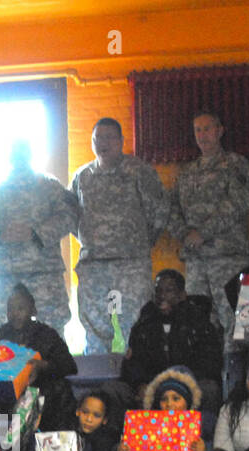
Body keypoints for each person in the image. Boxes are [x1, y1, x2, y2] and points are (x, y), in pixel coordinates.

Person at [69, 118, 170, 352]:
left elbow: (160, 209)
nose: (103, 143)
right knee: (96, 334)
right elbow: (72, 217)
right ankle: (99, 384)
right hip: (94, 269)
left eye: (109, 137)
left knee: (136, 329)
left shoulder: (138, 171)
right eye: (97, 139)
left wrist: (144, 241)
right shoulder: (82, 177)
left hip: (130, 267)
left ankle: (138, 384)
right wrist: (91, 242)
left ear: (121, 141)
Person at [172, 111, 249, 371]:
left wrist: (202, 233)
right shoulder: (186, 173)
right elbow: (172, 209)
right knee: (199, 321)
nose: (202, 135)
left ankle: (236, 385)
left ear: (220, 131)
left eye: (207, 129)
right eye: (197, 130)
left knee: (235, 323)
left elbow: (238, 204)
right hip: (197, 262)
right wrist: (184, 234)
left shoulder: (236, 164)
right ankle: (206, 383)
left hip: (228, 258)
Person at [0, 140, 79, 330]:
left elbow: (69, 216)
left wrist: (37, 233)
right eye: (16, 154)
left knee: (51, 337)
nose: (20, 158)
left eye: (23, 153)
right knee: (2, 337)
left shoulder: (50, 187)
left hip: (45, 276)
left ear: (31, 156)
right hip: (5, 277)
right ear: (10, 158)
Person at [120, 269, 223, 418]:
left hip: (189, 384)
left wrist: (181, 384)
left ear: (182, 295)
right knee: (116, 390)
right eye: (158, 291)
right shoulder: (145, 322)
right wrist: (140, 383)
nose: (162, 296)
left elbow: (211, 364)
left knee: (210, 389)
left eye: (169, 291)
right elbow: (132, 363)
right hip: (152, 385)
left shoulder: (198, 322)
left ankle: (204, 437)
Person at [0, 283, 78, 431]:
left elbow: (69, 366)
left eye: (20, 308)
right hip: (4, 394)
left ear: (33, 310)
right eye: (10, 309)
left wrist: (43, 365)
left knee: (61, 388)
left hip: (40, 392)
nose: (15, 313)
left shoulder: (46, 334)